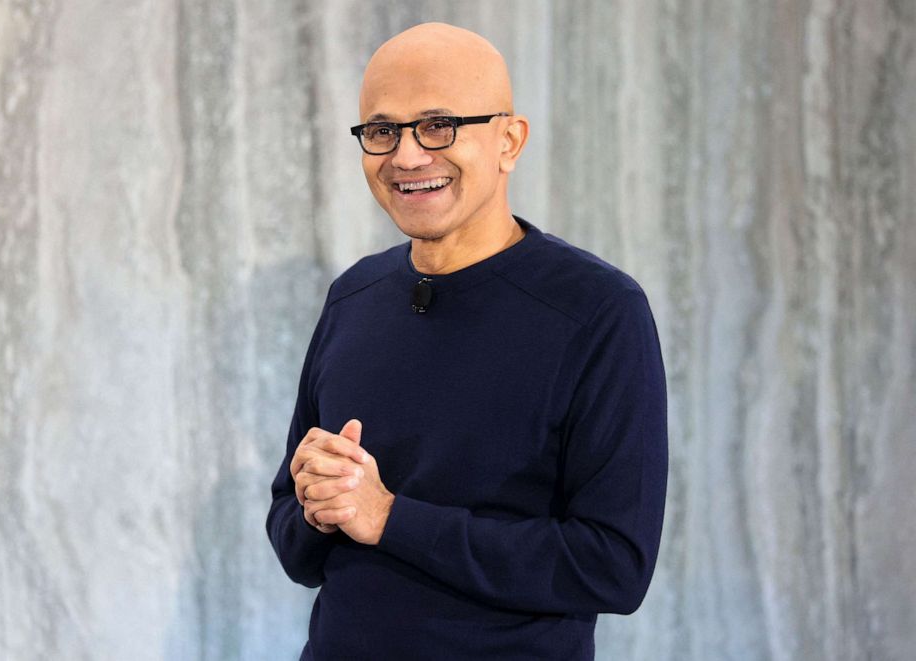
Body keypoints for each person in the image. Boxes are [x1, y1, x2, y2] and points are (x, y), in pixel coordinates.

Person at [266, 22, 668, 660]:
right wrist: (318, 507)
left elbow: (612, 566)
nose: (406, 156)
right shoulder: (353, 297)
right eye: (381, 130)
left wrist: (391, 517)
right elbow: (293, 536)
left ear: (509, 141)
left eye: (438, 125)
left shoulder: (598, 311)